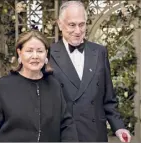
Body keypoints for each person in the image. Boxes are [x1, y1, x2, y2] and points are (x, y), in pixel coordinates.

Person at [0, 30, 78, 142]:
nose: (35, 56)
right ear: (19, 53)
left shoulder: (53, 85)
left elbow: (66, 125)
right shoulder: (4, 86)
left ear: (46, 53)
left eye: (40, 51)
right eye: (29, 51)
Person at [49, 1, 131, 142]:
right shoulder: (48, 54)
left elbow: (108, 98)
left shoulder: (99, 52)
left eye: (82, 24)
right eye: (72, 25)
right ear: (60, 24)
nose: (78, 31)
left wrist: (119, 127)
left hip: (95, 135)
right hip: (63, 135)